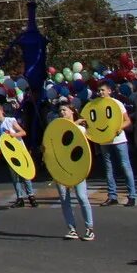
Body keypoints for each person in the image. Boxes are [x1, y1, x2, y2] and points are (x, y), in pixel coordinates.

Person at [52, 103, 95, 241]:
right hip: (61, 168)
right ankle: (71, 229)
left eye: (65, 110)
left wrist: (75, 124)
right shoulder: (56, 128)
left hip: (76, 168)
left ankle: (89, 228)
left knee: (82, 197)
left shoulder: (81, 129)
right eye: (60, 111)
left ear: (72, 112)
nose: (62, 112)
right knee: (65, 200)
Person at [95, 83, 137, 206]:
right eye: (99, 91)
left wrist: (119, 128)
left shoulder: (116, 103)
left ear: (109, 91)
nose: (100, 93)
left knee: (125, 166)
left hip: (119, 140)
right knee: (109, 168)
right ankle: (112, 196)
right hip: (104, 140)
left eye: (103, 90)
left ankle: (132, 196)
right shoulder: (96, 104)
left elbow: (127, 120)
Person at [0, 103, 36, 208]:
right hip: (9, 155)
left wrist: (13, 135)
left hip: (20, 151)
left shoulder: (10, 121)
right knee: (15, 177)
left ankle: (31, 196)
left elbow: (23, 132)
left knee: (25, 174)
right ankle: (20, 198)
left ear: (1, 111)